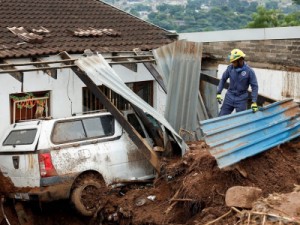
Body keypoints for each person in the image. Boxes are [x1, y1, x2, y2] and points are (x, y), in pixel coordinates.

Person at [216, 49, 259, 116]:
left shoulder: (249, 71)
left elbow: (254, 86)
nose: (232, 64)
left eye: (234, 62)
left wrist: (254, 102)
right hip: (229, 97)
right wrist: (218, 92)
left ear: (240, 60)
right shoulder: (230, 68)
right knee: (221, 117)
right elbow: (223, 79)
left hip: (241, 99)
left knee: (241, 119)